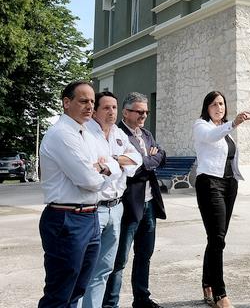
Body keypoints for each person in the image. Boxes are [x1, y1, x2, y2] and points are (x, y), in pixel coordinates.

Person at [38, 80, 119, 308]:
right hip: (67, 219)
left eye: (92, 102)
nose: (89, 106)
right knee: (59, 293)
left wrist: (102, 168)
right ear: (66, 102)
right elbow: (88, 179)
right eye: (83, 101)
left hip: (90, 216)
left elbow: (111, 165)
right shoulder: (62, 134)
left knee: (77, 290)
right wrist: (102, 170)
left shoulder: (86, 134)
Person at [102, 92, 166, 308]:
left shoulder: (146, 134)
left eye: (146, 112)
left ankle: (142, 299)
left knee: (144, 255)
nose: (143, 116)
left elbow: (161, 156)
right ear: (126, 112)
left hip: (149, 203)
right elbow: (132, 169)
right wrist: (147, 160)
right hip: (129, 205)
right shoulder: (117, 134)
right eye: (139, 112)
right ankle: (110, 304)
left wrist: (143, 160)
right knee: (119, 260)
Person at [81, 91, 142, 308]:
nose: (111, 112)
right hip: (94, 209)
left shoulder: (118, 134)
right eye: (106, 107)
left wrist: (111, 162)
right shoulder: (86, 133)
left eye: (114, 107)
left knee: (104, 268)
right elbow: (92, 169)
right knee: (85, 268)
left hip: (116, 208)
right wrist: (117, 165)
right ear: (95, 111)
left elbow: (137, 159)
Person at [193, 91, 250, 308]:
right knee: (217, 238)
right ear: (207, 107)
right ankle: (220, 293)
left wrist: (230, 125)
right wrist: (234, 123)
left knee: (217, 238)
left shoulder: (225, 130)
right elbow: (211, 137)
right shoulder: (201, 126)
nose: (219, 107)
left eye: (222, 104)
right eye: (214, 104)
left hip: (229, 184)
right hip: (210, 184)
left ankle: (207, 282)